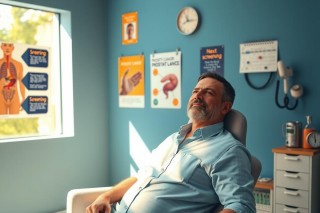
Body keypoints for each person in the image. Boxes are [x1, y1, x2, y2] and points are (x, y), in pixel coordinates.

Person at [87, 72, 256, 213]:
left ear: (225, 108)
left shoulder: (229, 150)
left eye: (208, 92)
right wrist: (106, 197)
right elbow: (141, 176)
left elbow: (241, 205)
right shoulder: (173, 139)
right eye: (195, 91)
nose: (197, 96)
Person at [0, 42, 25, 115]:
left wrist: (23, 98)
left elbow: (21, 82)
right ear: (1, 47)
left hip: (15, 96)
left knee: (14, 120)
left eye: (10, 45)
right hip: (0, 96)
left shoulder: (19, 64)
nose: (7, 48)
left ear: (13, 48)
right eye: (5, 45)